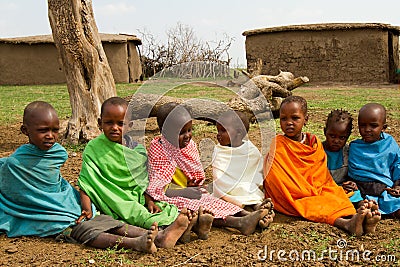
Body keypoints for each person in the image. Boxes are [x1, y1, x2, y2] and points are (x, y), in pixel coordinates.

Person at [0, 101, 158, 253]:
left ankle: (157, 236)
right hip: (45, 215)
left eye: (55, 130)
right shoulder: (15, 165)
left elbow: (56, 185)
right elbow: (16, 196)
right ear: (25, 130)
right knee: (82, 230)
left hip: (68, 204)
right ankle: (135, 243)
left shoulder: (57, 153)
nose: (50, 136)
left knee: (103, 221)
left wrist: (77, 203)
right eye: (43, 131)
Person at [78, 97, 195, 248]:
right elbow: (86, 182)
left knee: (163, 208)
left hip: (138, 197)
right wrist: (87, 209)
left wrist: (150, 200)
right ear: (100, 123)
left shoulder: (137, 151)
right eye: (109, 123)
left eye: (121, 124)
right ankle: (169, 232)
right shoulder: (93, 149)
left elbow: (143, 182)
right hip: (113, 199)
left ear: (130, 126)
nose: (115, 127)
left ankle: (179, 228)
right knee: (138, 214)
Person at [146, 102, 273, 236]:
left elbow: (191, 173)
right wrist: (185, 192)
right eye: (181, 132)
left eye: (189, 130)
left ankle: (248, 214)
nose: (188, 136)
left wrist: (193, 182)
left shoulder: (188, 146)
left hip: (190, 192)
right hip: (170, 197)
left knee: (212, 199)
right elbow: (157, 188)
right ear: (165, 132)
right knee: (201, 208)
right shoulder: (158, 149)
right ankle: (239, 223)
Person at [263, 95, 381, 236]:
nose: (289, 123)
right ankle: (346, 224)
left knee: (336, 195)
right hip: (291, 195)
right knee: (312, 204)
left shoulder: (313, 143)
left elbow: (321, 176)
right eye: (284, 119)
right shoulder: (277, 145)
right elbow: (274, 179)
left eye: (295, 118)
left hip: (317, 189)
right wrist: (303, 191)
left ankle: (362, 220)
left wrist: (316, 190)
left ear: (306, 119)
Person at [211, 110, 274, 214]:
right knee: (219, 201)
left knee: (253, 194)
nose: (218, 135)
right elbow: (218, 177)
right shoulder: (219, 151)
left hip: (248, 188)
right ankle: (249, 212)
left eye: (223, 131)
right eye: (218, 130)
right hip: (227, 191)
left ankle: (258, 206)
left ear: (239, 133)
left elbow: (257, 172)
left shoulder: (250, 150)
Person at [348, 103, 400, 218]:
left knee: (395, 201)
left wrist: (398, 185)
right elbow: (352, 172)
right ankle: (366, 210)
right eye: (362, 125)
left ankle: (375, 210)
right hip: (360, 188)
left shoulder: (389, 144)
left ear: (383, 127)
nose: (367, 130)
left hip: (385, 189)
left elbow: (397, 164)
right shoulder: (355, 147)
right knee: (348, 198)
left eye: (373, 125)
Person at [322, 109, 363, 204]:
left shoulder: (348, 152)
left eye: (342, 137)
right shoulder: (318, 150)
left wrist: (351, 183)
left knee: (355, 194)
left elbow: (352, 173)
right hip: (325, 188)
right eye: (332, 136)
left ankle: (362, 207)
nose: (336, 141)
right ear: (325, 132)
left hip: (342, 188)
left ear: (348, 136)